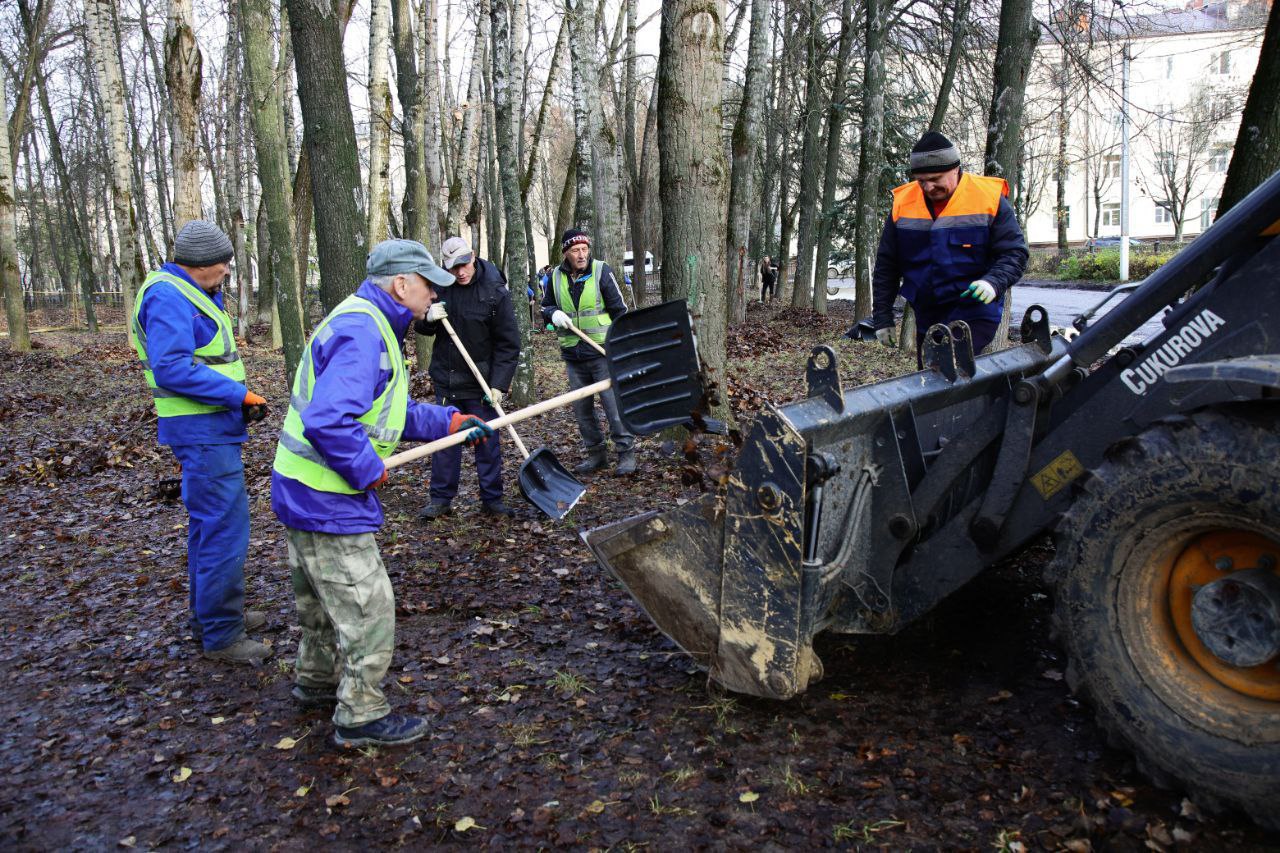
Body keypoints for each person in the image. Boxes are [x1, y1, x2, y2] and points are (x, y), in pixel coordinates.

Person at [270, 238, 495, 747]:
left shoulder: (368, 323)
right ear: (401, 284)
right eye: (427, 289)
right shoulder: (362, 333)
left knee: (321, 603)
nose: (433, 300)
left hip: (300, 489)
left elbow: (383, 413)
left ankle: (317, 682)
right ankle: (360, 714)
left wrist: (450, 421)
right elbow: (330, 420)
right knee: (367, 607)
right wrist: (366, 469)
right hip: (326, 496)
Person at [131, 220, 271, 665]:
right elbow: (172, 367)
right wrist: (238, 395)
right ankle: (222, 634)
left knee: (207, 527)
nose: (228, 272)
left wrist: (237, 402)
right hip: (201, 433)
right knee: (224, 529)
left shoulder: (189, 291)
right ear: (202, 265)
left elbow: (206, 359)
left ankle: (209, 616)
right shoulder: (168, 296)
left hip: (212, 427)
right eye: (225, 265)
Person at [871, 131, 1029, 360]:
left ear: (955, 169)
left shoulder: (988, 198)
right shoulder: (903, 203)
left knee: (949, 365)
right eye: (921, 181)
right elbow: (887, 264)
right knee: (930, 374)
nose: (928, 187)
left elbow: (1014, 253)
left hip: (974, 308)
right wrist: (882, 317)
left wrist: (993, 282)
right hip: (928, 310)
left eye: (936, 179)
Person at [414, 236, 520, 520]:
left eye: (464, 264)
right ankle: (441, 499)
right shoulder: (440, 287)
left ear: (473, 256)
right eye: (453, 268)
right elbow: (422, 328)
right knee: (445, 441)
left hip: (482, 383)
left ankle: (492, 499)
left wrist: (499, 384)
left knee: (486, 441)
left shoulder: (495, 291)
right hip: (447, 379)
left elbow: (509, 343)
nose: (460, 272)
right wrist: (427, 318)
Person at [541, 228, 636, 476]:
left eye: (584, 249)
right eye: (575, 251)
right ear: (566, 253)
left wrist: (621, 347)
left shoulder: (601, 271)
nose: (581, 255)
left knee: (613, 408)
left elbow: (619, 311)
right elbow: (545, 307)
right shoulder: (554, 278)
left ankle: (626, 453)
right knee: (582, 412)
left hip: (601, 353)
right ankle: (597, 455)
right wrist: (553, 314)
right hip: (573, 355)